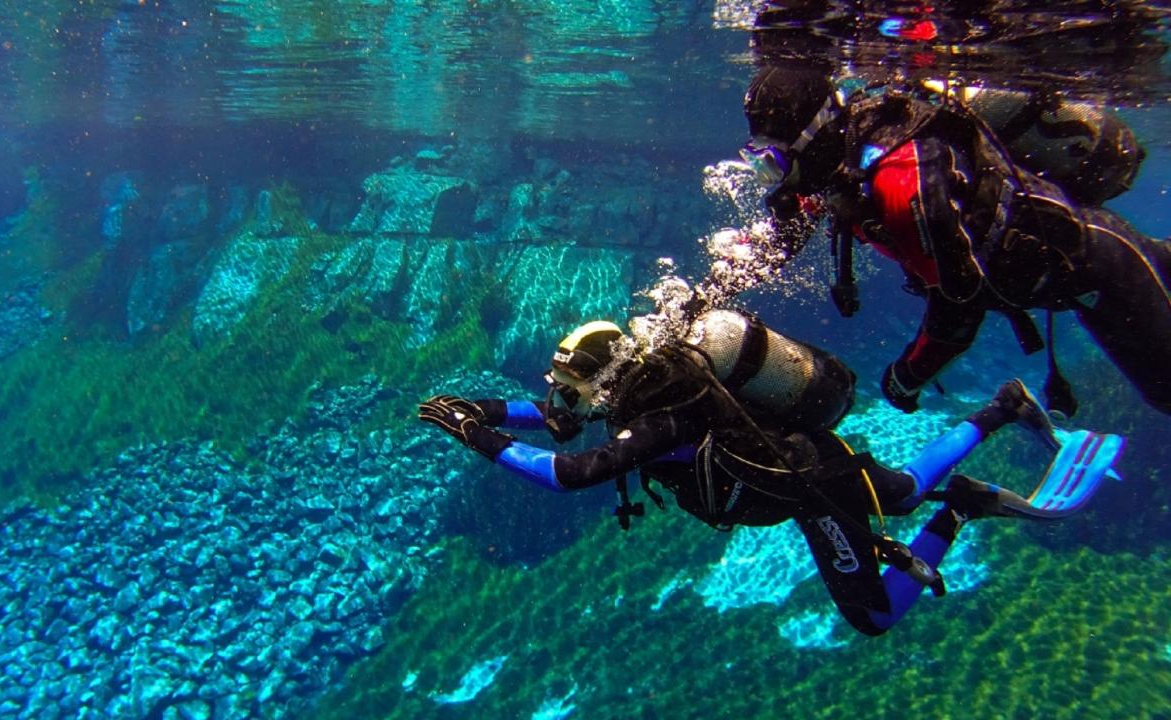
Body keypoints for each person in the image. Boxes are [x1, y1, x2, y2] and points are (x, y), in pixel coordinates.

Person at [417, 310, 1124, 635]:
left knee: (875, 612)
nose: (560, 398)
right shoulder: (640, 391)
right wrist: (484, 408)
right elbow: (560, 420)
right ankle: (1002, 410)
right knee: (905, 491)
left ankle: (964, 501)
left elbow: (567, 472)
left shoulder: (662, 416)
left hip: (812, 484)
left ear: (603, 378)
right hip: (805, 464)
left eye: (569, 384)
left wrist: (477, 436)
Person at [739, 66, 1171, 416]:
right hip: (1079, 264)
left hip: (1101, 267)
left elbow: (958, 307)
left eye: (774, 162)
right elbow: (791, 230)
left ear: (813, 137)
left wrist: (906, 378)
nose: (776, 180)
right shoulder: (841, 162)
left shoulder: (899, 184)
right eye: (761, 163)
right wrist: (725, 281)